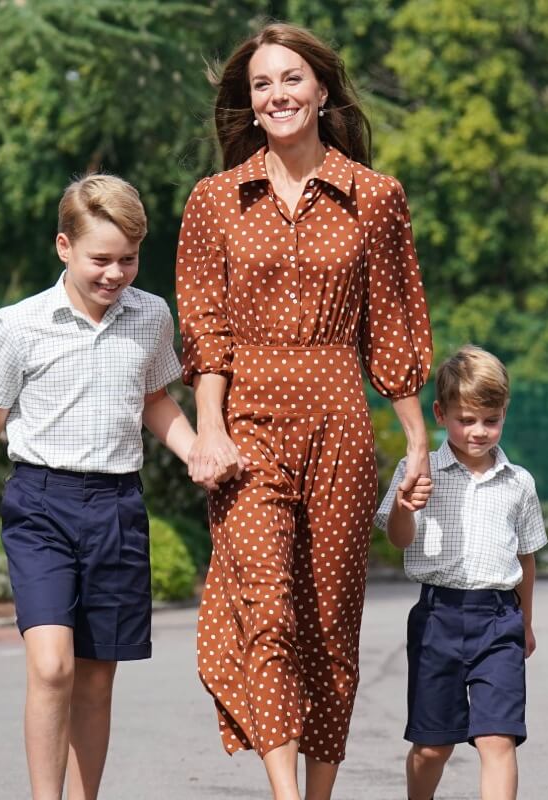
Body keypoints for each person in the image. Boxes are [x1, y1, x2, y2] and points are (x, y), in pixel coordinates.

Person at [176, 22, 434, 800]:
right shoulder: (216, 200)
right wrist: (211, 430)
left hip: (340, 424)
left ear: (321, 91)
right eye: (262, 84)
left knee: (329, 620)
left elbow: (392, 324)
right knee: (269, 604)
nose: (277, 94)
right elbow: (205, 329)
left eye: (292, 79)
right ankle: (285, 793)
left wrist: (417, 442)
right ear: (249, 105)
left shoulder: (376, 197)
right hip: (247, 424)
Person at [0, 174, 197, 800]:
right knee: (53, 665)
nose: (115, 274)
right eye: (100, 260)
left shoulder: (151, 315)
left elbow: (156, 399)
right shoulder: (23, 325)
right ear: (64, 247)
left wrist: (196, 450)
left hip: (116, 507)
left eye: (129, 259)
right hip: (41, 506)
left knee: (95, 678)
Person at [375, 346, 547, 800]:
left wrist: (525, 622)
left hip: (499, 621)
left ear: (504, 413)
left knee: (498, 739)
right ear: (440, 413)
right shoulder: (417, 471)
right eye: (466, 420)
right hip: (438, 619)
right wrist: (403, 504)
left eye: (490, 420)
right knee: (433, 747)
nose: (478, 432)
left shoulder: (519, 482)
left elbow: (526, 559)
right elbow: (398, 539)